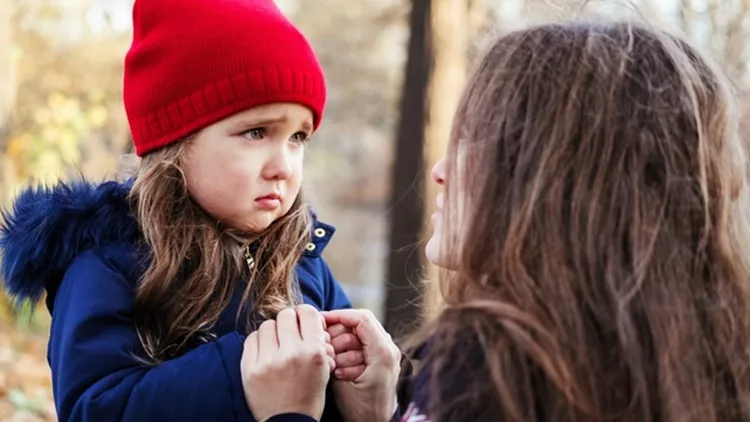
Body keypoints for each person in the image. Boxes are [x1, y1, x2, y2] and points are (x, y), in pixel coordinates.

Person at [330, 19, 750, 422]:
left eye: (478, 139)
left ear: (561, 182)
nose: (441, 170)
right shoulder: (704, 365)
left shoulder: (495, 369)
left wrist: (287, 411)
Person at [0, 0, 372, 421]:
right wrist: (240, 378)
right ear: (175, 142)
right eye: (255, 132)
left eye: (298, 137)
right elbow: (95, 408)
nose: (283, 167)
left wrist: (361, 383)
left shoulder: (302, 261)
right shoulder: (110, 267)